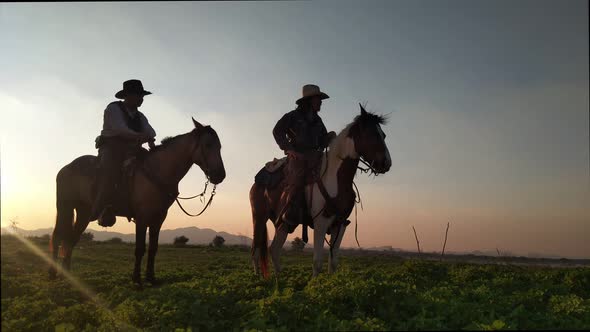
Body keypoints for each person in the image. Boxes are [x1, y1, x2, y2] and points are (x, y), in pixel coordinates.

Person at [90, 79, 157, 227]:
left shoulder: (140, 116)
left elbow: (151, 131)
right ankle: (100, 208)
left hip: (132, 149)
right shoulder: (113, 109)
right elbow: (121, 130)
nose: (141, 99)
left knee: (151, 167)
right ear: (128, 96)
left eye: (142, 96)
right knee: (110, 171)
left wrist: (150, 138)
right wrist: (142, 136)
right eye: (139, 96)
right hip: (111, 148)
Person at [272, 84, 336, 233]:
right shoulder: (292, 116)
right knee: (298, 177)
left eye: (320, 99)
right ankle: (290, 211)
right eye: (318, 99)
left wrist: (330, 137)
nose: (320, 102)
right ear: (309, 100)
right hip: (298, 156)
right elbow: (277, 131)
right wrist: (288, 149)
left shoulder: (318, 121)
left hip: (315, 156)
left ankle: (329, 212)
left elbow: (322, 141)